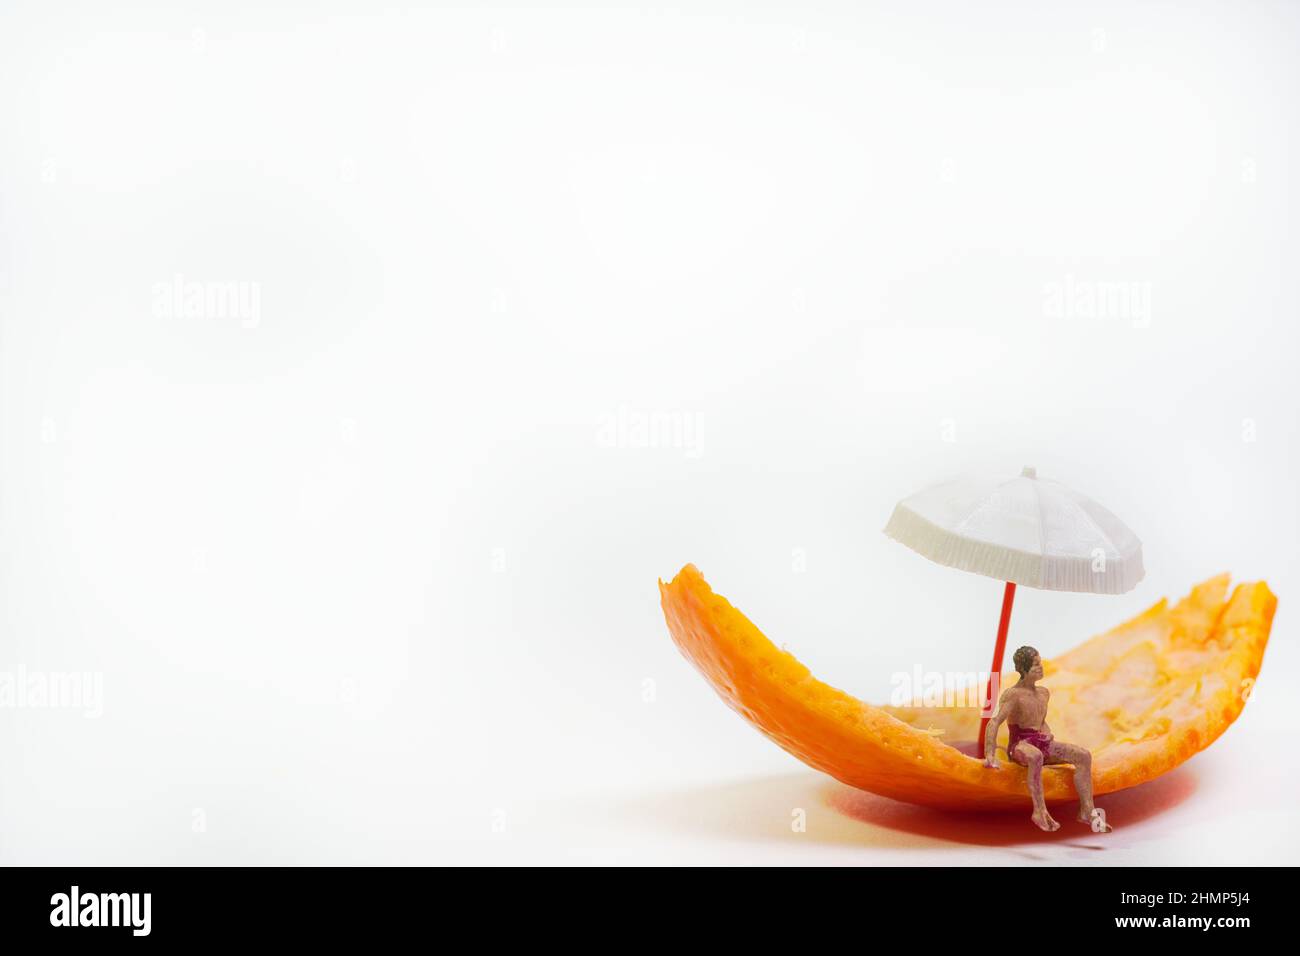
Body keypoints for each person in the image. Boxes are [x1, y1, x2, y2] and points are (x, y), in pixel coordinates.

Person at [982, 645, 1111, 833]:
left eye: (1040, 662)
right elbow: (994, 722)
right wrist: (990, 754)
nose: (1041, 667)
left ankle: (1087, 810)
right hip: (1021, 745)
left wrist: (1047, 734)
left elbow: (1041, 720)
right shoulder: (1013, 695)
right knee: (1035, 757)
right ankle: (1039, 811)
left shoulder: (1043, 693)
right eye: (1035, 664)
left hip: (1042, 742)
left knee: (1083, 755)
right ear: (1024, 669)